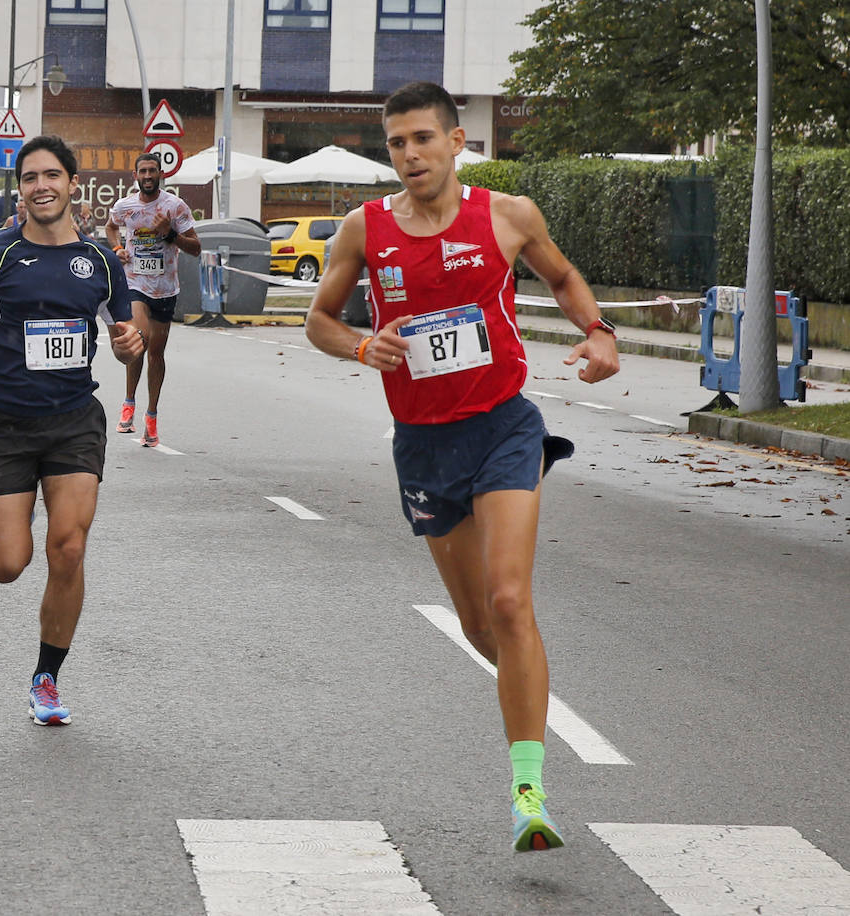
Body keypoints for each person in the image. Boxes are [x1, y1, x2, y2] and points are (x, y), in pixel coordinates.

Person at [305, 82, 620, 853]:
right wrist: (359, 345)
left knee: (511, 600)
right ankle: (527, 676)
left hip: (504, 429)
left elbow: (565, 278)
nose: (409, 154)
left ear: (456, 143)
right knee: (482, 623)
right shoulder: (363, 229)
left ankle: (526, 789)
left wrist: (600, 332)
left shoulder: (508, 215)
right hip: (423, 444)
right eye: (396, 143)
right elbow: (318, 319)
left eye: (421, 139)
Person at [0, 135, 144, 727]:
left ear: (72, 183)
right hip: (4, 423)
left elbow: (126, 337)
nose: (41, 186)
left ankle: (47, 678)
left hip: (73, 420)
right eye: (30, 178)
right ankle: (18, 504)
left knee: (70, 548)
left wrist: (131, 342)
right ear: (21, 189)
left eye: (52, 175)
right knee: (7, 565)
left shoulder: (100, 262)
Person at [105, 153, 201, 447]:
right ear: (135, 176)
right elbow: (110, 227)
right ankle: (128, 403)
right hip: (136, 283)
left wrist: (170, 234)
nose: (148, 176)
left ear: (161, 174)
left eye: (153, 171)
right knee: (138, 339)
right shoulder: (125, 206)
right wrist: (118, 247)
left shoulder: (175, 206)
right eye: (143, 171)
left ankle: (151, 415)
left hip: (166, 289)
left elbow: (196, 248)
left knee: (156, 353)